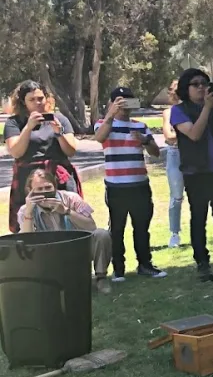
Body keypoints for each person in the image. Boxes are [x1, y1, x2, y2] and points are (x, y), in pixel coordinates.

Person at [92, 87, 166, 281]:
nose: (124, 105)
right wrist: (111, 114)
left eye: (128, 101)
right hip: (116, 187)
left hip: (140, 185)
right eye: (119, 101)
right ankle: (118, 269)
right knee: (117, 228)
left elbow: (156, 153)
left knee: (142, 227)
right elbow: (99, 137)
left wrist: (145, 140)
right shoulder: (103, 124)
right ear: (111, 103)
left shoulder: (140, 126)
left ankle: (145, 265)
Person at [169, 69, 213, 283]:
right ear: (185, 89)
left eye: (204, 84)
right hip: (195, 173)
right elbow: (194, 134)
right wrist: (207, 108)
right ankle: (202, 264)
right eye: (195, 84)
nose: (200, 88)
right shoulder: (179, 111)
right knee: (199, 218)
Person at [17, 168, 113, 294]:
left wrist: (66, 211)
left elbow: (91, 226)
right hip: (48, 254)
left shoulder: (72, 198)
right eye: (39, 189)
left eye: (48, 188)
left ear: (55, 186)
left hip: (77, 248)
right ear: (30, 192)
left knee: (102, 234)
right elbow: (26, 241)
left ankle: (101, 278)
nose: (44, 192)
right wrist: (29, 213)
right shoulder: (25, 211)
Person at [5, 81, 82, 234]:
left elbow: (71, 151)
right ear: (23, 102)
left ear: (47, 98)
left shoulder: (59, 119)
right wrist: (28, 127)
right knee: (29, 221)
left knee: (66, 220)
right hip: (28, 179)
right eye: (31, 100)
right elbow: (16, 152)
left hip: (59, 177)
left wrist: (59, 133)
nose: (37, 103)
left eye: (40, 98)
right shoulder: (14, 122)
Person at [162, 79, 185, 248]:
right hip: (175, 154)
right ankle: (174, 233)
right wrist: (189, 133)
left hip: (194, 155)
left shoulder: (194, 111)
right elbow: (168, 137)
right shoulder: (169, 112)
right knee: (176, 196)